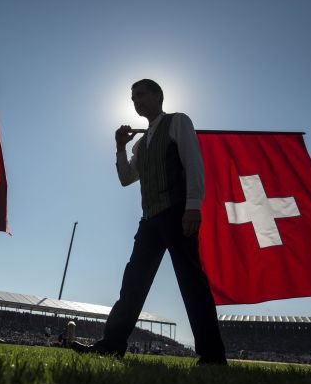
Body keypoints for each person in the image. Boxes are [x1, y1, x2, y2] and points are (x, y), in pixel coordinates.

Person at [72, 79, 226, 365]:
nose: (136, 100)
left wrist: (193, 206)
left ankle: (213, 356)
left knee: (192, 283)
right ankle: (112, 344)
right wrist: (120, 147)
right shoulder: (141, 144)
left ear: (158, 96)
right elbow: (126, 179)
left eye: (141, 94)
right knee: (133, 283)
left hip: (178, 212)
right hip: (150, 219)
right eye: (132, 97)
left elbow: (193, 163)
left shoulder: (178, 122)